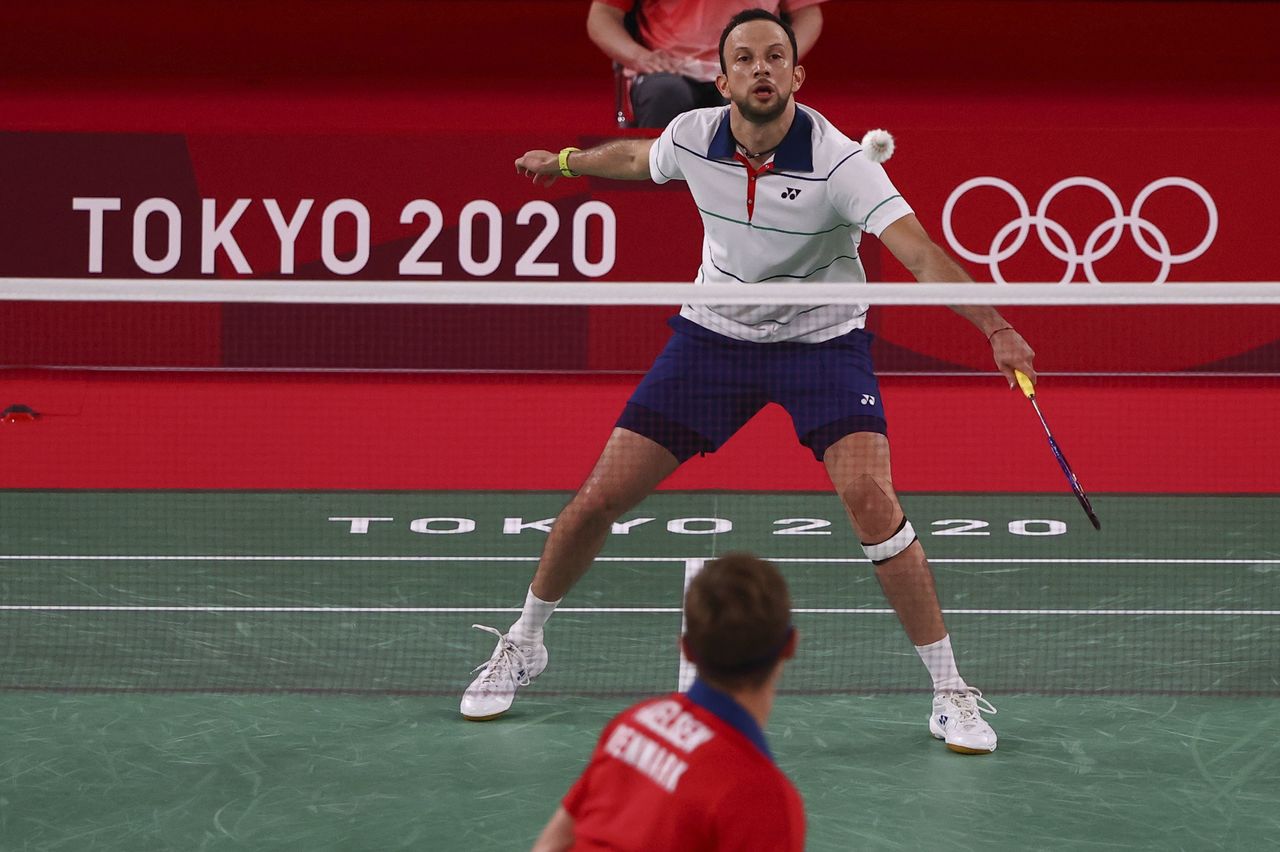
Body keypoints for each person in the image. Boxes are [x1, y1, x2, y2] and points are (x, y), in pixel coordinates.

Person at [464, 8, 1036, 756]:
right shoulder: (694, 137)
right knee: (597, 499)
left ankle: (949, 688)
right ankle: (524, 642)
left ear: (796, 74)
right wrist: (568, 163)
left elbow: (921, 254)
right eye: (745, 58)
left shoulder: (841, 163)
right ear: (723, 78)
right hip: (716, 336)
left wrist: (993, 326)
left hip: (821, 339)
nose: (761, 68)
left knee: (871, 498)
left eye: (775, 56)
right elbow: (639, 162)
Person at [531, 553, 804, 852]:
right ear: (790, 645)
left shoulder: (633, 723)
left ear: (686, 650)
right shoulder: (762, 798)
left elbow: (552, 843)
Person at [587, 0, 825, 128]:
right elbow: (602, 16)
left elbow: (808, 15)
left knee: (750, 100)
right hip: (669, 71)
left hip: (745, 68)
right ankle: (657, 198)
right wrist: (639, 57)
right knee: (665, 93)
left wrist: (779, 61)